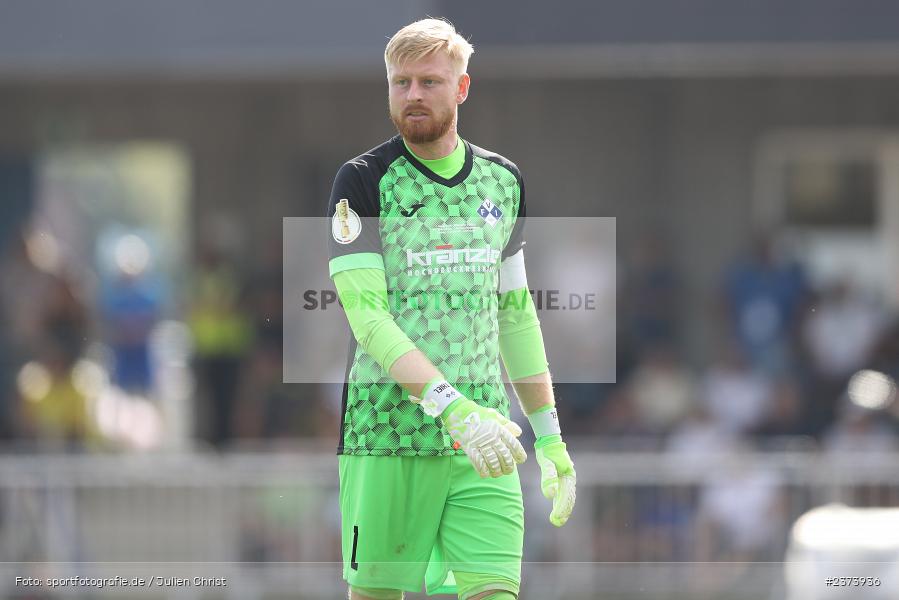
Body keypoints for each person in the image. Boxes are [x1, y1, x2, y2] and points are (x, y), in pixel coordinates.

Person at [326, 18, 576, 600]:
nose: (413, 94)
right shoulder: (362, 181)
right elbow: (369, 320)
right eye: (401, 82)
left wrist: (550, 438)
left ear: (462, 88)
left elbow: (515, 314)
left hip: (485, 439)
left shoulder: (502, 181)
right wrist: (452, 409)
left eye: (429, 82)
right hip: (388, 436)